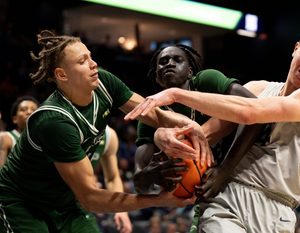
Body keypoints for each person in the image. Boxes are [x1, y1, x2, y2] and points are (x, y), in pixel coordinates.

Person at [125, 24, 300, 232]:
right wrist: (164, 136)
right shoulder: (256, 88)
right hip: (227, 195)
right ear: (295, 49)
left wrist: (175, 94)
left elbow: (250, 112)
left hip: (277, 208)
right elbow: (206, 134)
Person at [0, 29, 211, 233]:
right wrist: (159, 200)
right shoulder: (54, 121)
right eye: (82, 61)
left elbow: (152, 112)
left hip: (65, 199)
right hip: (23, 203)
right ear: (62, 74)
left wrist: (185, 127)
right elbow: (90, 198)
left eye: (90, 57)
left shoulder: (103, 82)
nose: (93, 64)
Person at [92, 125, 132, 233]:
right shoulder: (60, 125)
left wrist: (121, 210)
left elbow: (112, 178)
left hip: (78, 208)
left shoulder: (109, 135)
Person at [0, 95, 39, 167]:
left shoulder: (42, 141)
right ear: (15, 119)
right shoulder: (5, 137)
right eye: (23, 109)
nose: (29, 112)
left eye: (33, 110)